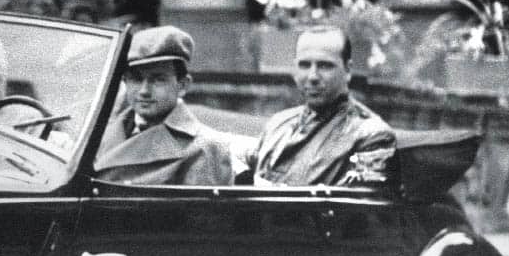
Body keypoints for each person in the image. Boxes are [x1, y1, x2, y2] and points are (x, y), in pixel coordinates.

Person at [247, 24, 396, 186]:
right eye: (304, 65)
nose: (313, 76)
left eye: (325, 65)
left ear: (348, 70)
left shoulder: (371, 135)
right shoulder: (278, 124)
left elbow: (354, 207)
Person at [96, 26, 234, 185]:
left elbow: (198, 210)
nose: (144, 91)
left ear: (182, 85)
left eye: (158, 80)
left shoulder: (205, 149)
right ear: (124, 81)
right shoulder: (104, 132)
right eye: (136, 79)